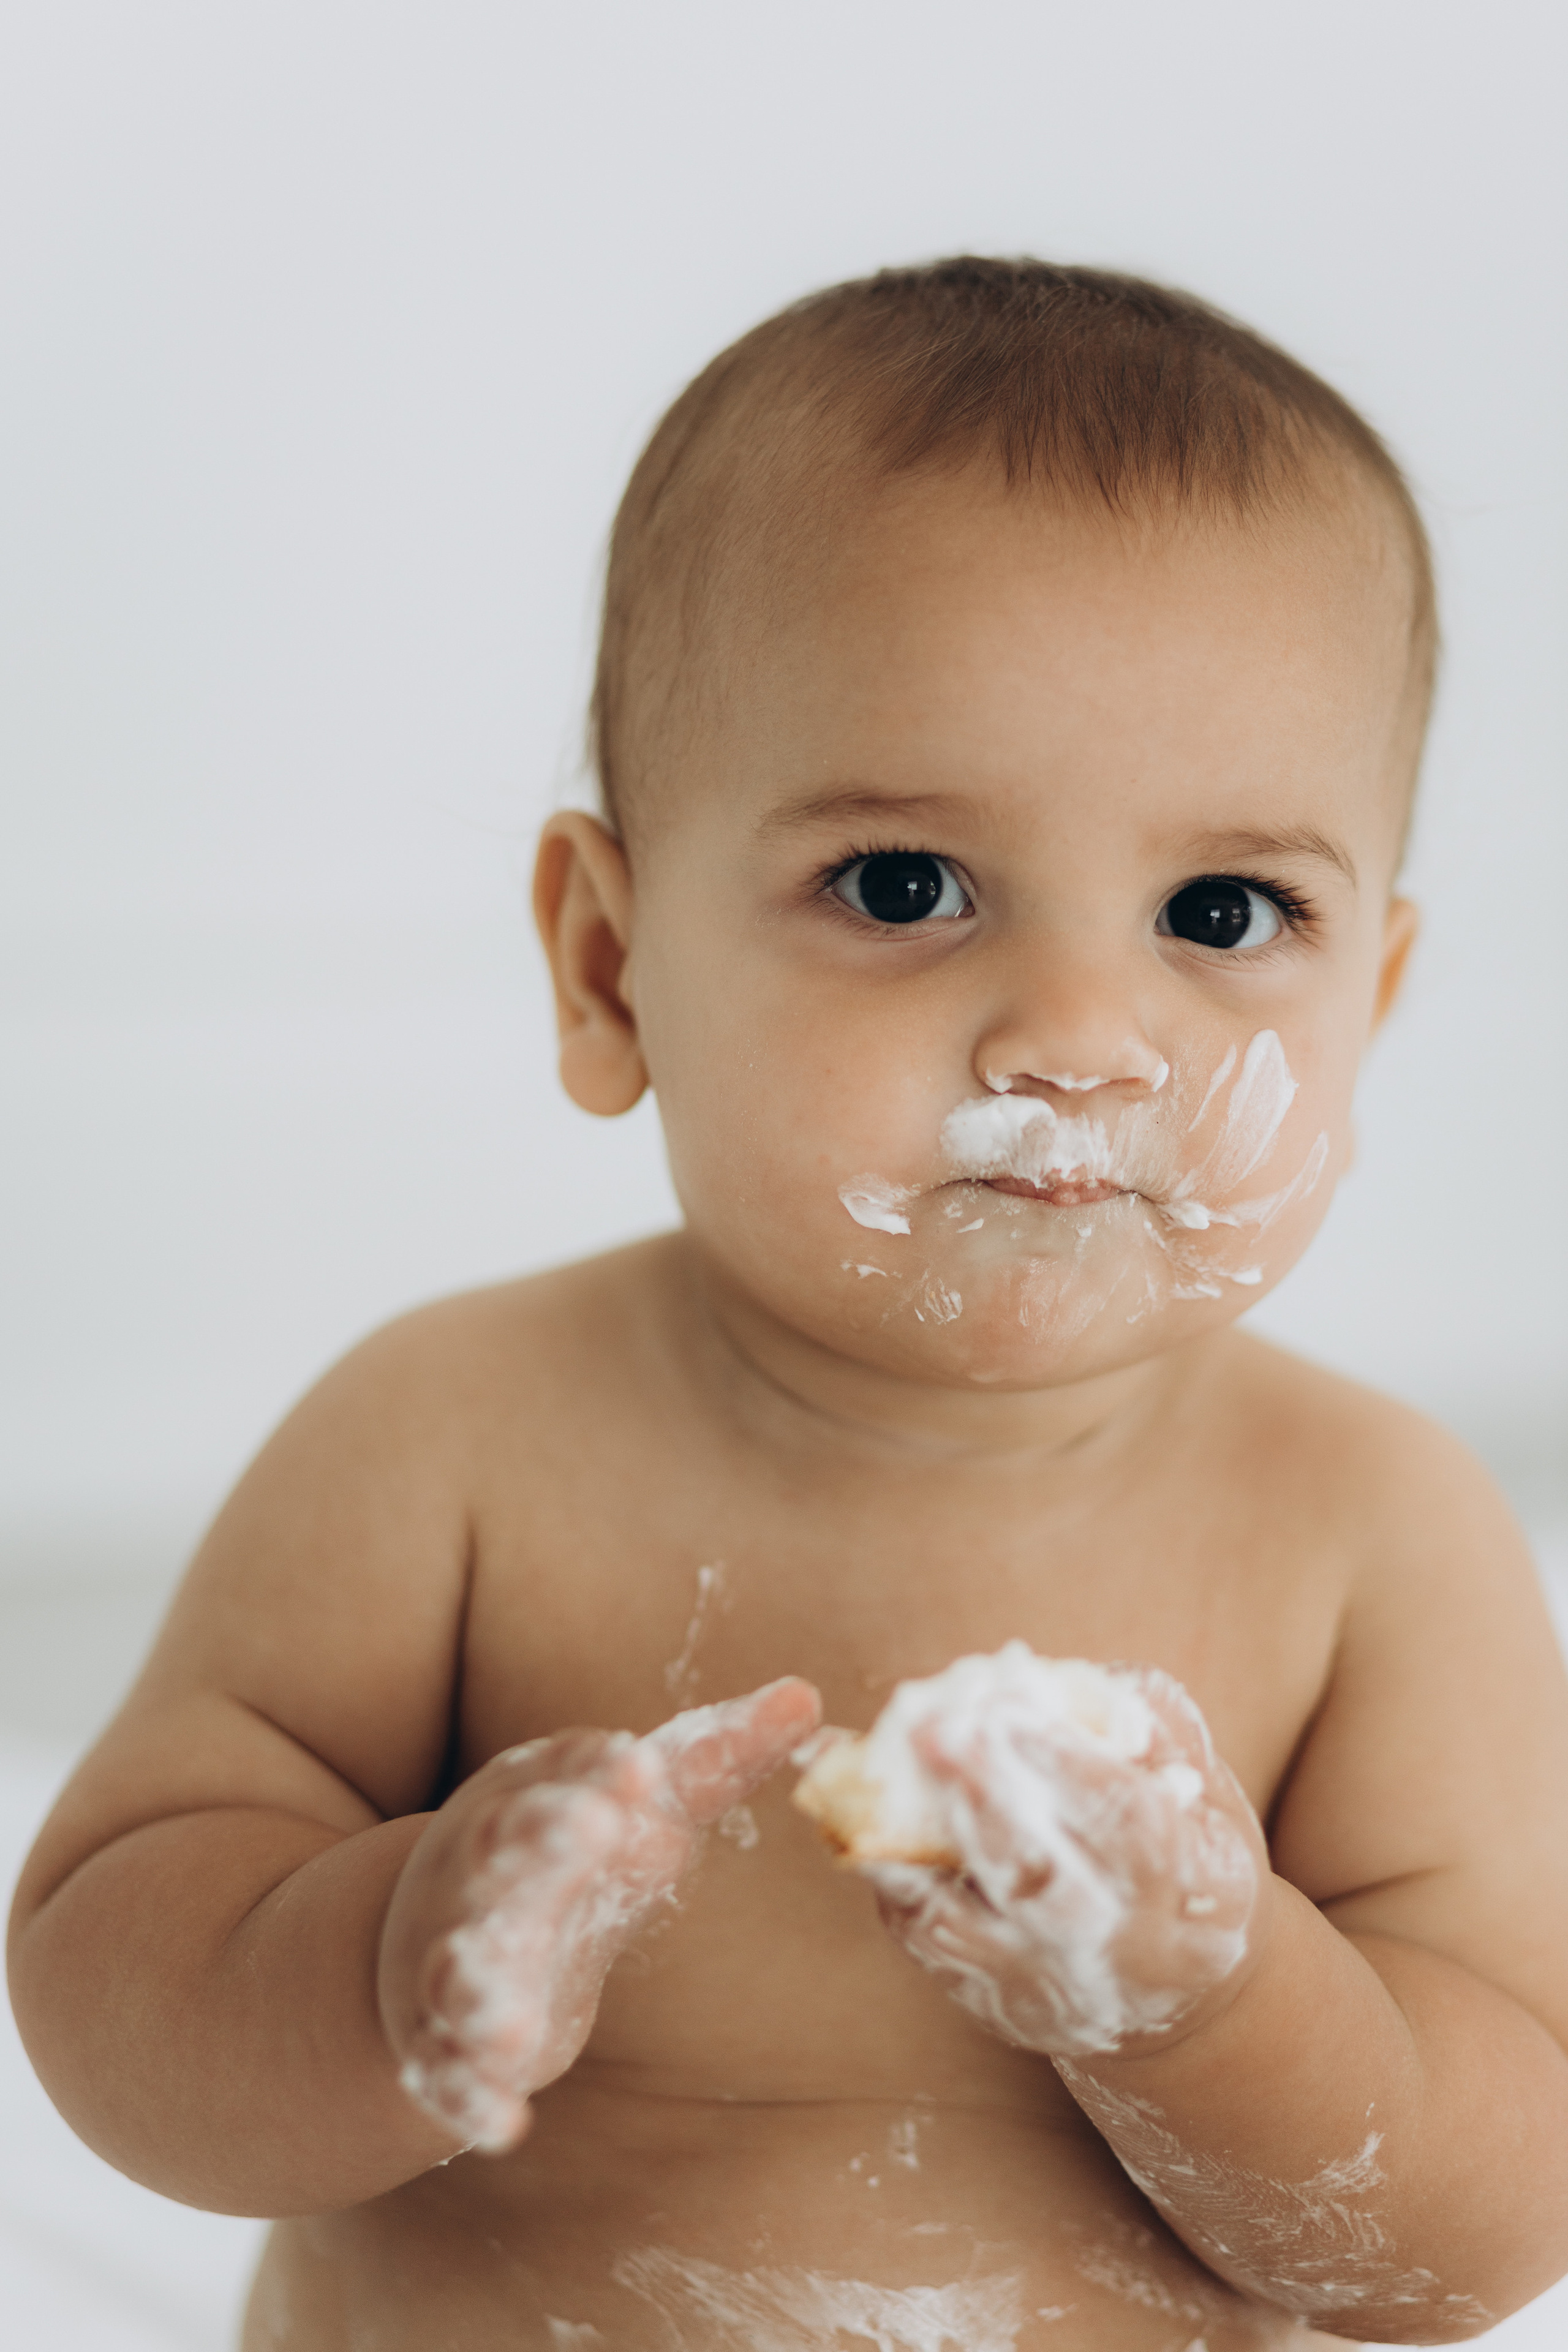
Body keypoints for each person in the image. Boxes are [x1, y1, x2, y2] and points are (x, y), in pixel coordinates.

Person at [10, 258, 1568, 2351]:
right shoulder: (452, 1437)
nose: (1081, 1038)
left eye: (1225, 912)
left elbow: (1479, 2231)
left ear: (1369, 1009)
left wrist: (1212, 1999)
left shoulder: (1377, 1539)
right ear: (607, 966)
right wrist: (390, 1958)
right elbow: (118, 1994)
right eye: (906, 888)